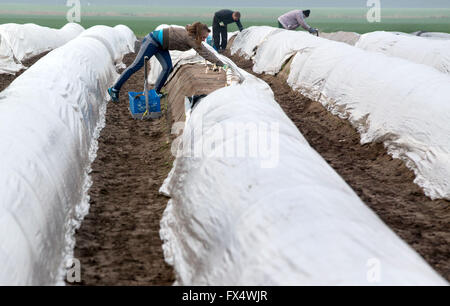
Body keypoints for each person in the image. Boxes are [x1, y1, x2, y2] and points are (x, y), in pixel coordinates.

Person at [108, 22, 226, 102]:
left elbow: (204, 50)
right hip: (152, 41)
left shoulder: (192, 36)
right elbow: (205, 52)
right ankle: (114, 89)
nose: (205, 39)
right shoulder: (190, 38)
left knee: (167, 67)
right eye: (204, 37)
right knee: (136, 65)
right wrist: (221, 64)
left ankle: (155, 93)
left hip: (161, 46)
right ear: (199, 33)